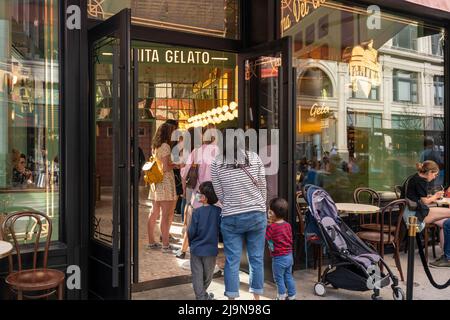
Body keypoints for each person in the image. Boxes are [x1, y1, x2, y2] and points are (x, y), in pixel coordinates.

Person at [211, 129, 267, 300]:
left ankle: (232, 299)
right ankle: (256, 300)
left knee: (232, 260)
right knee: (256, 258)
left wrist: (231, 203)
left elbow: (219, 193)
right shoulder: (255, 157)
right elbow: (263, 186)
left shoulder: (217, 163)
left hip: (231, 217)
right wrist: (260, 205)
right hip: (257, 214)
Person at [175, 126, 219, 259]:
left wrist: (184, 188)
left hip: (199, 193)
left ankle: (183, 250)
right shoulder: (219, 152)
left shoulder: (196, 151)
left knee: (194, 223)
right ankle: (210, 256)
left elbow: (184, 173)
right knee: (213, 226)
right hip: (215, 194)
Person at [404, 161, 450, 268]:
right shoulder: (421, 181)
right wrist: (436, 196)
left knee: (446, 223)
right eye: (435, 174)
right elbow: (425, 202)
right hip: (415, 216)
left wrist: (431, 196)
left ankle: (446, 255)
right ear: (429, 172)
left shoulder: (414, 178)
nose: (434, 177)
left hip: (411, 212)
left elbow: (418, 198)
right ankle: (447, 257)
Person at [147, 122, 179, 253]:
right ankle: (165, 245)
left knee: (154, 213)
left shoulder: (156, 146)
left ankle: (151, 242)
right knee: (166, 215)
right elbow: (166, 168)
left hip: (156, 183)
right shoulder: (165, 146)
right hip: (165, 182)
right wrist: (177, 165)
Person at [188, 181, 221, 300]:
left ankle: (201, 296)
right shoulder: (218, 212)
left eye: (199, 193)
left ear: (205, 198)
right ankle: (202, 296)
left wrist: (191, 244)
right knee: (208, 276)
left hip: (196, 249)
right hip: (211, 250)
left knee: (197, 275)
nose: (197, 194)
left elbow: (191, 231)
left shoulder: (196, 212)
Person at [266, 198, 296, 300]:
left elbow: (267, 239)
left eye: (269, 211)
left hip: (278, 258)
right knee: (288, 276)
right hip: (289, 256)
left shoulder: (272, 227)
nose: (268, 212)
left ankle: (281, 296)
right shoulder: (287, 225)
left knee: (279, 278)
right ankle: (292, 296)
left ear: (273, 213)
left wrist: (267, 225)